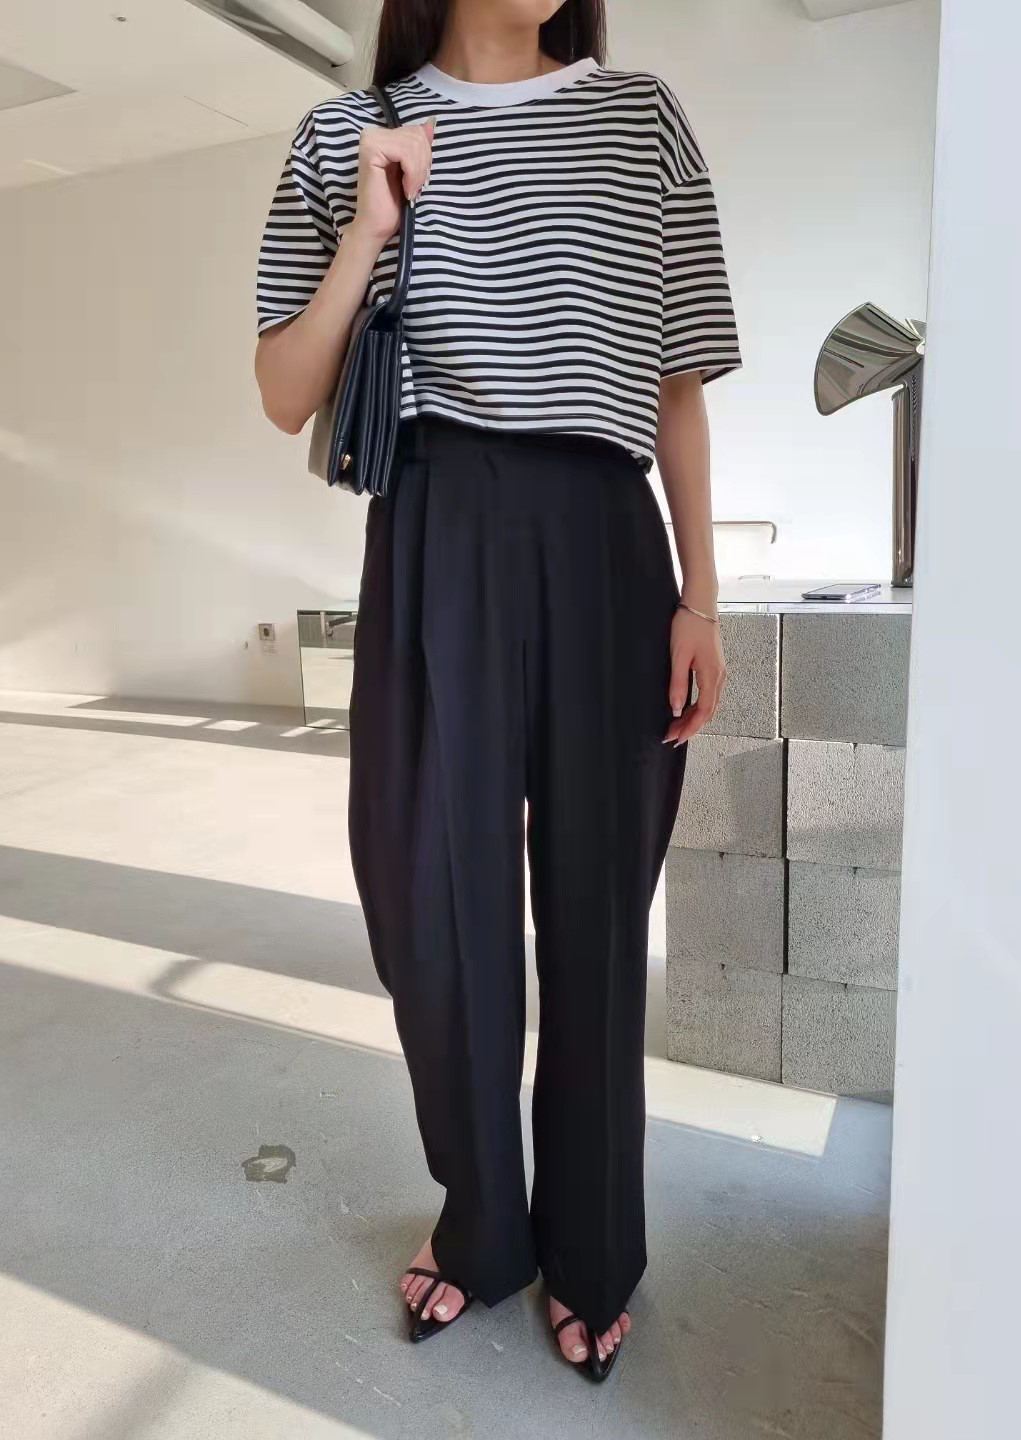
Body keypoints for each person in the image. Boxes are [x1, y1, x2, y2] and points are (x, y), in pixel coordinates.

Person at [254, 0, 740, 1384]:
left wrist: (700, 598)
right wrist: (369, 231)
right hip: (434, 526)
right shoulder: (345, 131)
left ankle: (594, 1248)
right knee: (429, 901)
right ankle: (483, 1225)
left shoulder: (638, 117)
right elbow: (284, 390)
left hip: (603, 535)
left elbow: (677, 379)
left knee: (596, 910)